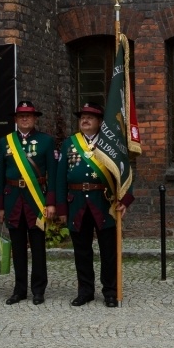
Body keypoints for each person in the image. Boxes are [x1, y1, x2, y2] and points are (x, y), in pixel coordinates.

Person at [56, 101, 133, 308]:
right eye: (82, 117)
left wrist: (124, 199)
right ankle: (85, 291)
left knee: (108, 251)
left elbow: (124, 171)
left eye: (90, 117)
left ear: (100, 122)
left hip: (104, 203)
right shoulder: (69, 143)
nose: (85, 120)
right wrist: (62, 208)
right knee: (81, 251)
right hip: (77, 203)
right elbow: (60, 177)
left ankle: (110, 291)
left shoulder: (111, 143)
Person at [0, 101, 57, 305]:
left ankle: (38, 290)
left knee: (38, 248)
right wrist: (0, 206)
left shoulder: (46, 141)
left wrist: (50, 203)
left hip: (36, 200)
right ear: (15, 119)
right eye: (20, 116)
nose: (24, 119)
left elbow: (53, 175)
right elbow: (0, 176)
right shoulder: (6, 142)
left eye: (28, 116)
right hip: (13, 199)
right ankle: (19, 289)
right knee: (18, 248)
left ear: (35, 119)